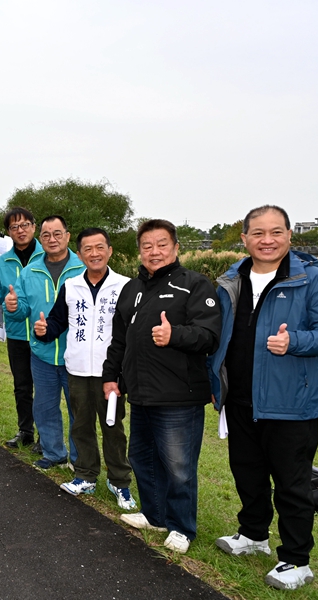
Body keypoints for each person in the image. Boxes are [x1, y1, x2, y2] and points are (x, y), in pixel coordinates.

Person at [209, 205, 318, 590]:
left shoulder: (311, 279)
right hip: (241, 400)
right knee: (248, 473)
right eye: (258, 233)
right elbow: (221, 336)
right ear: (244, 238)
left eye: (276, 232)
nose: (267, 240)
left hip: (291, 403)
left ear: (289, 236)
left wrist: (295, 341)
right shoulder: (231, 280)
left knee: (292, 484)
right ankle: (253, 534)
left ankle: (296, 560)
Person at [102, 219, 220, 554]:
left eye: (162, 244)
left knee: (179, 467)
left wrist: (174, 335)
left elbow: (210, 335)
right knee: (142, 457)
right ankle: (154, 515)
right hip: (140, 393)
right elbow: (119, 339)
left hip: (178, 395)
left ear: (176, 247)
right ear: (140, 251)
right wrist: (111, 376)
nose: (155, 251)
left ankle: (182, 527)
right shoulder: (132, 289)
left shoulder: (194, 285)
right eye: (147, 246)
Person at [34, 227, 135, 510]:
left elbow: (132, 330)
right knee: (81, 425)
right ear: (79, 255)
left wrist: (122, 371)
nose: (94, 253)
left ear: (110, 251)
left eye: (100, 247)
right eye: (87, 249)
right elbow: (57, 322)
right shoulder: (71, 286)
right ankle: (86, 476)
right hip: (77, 370)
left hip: (111, 374)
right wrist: (44, 330)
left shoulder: (126, 286)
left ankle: (119, 481)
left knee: (113, 428)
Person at [7, 215, 85, 470]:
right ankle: (54, 453)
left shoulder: (83, 269)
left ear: (67, 236)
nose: (52, 239)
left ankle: (79, 460)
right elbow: (22, 310)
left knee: (78, 411)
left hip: (77, 354)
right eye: (46, 235)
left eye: (57, 233)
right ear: (40, 239)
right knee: (45, 407)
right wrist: (13, 307)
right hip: (42, 353)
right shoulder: (30, 272)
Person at [0, 207, 44, 450]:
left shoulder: (46, 257)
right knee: (22, 386)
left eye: (25, 225)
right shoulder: (3, 261)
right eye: (14, 227)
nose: (20, 230)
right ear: (8, 232)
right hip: (16, 332)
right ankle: (25, 431)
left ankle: (45, 437)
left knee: (45, 387)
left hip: (43, 333)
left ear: (34, 227)